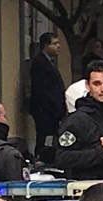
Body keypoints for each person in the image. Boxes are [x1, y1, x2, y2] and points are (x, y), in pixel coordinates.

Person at [30, 32, 66, 164]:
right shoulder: (40, 63)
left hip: (52, 110)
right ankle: (42, 158)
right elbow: (43, 89)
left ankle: (47, 157)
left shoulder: (49, 62)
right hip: (45, 110)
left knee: (49, 137)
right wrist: (54, 108)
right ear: (46, 45)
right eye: (55, 43)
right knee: (44, 136)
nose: (58, 46)